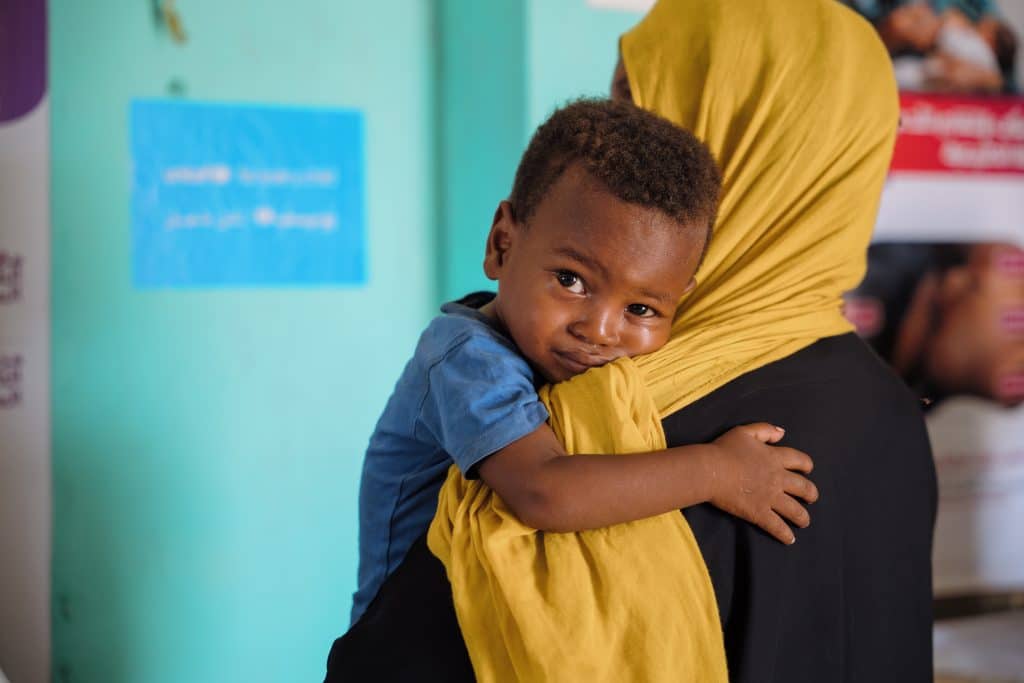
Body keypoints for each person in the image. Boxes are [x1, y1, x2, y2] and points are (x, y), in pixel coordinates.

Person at [327, 1, 937, 681]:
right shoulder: (896, 411)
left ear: (733, 137)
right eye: (573, 280)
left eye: (638, 101)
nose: (601, 330)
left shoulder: (618, 415)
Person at [349, 98, 819, 628]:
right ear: (503, 245)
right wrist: (719, 470)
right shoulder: (465, 357)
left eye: (640, 309)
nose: (598, 331)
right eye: (571, 280)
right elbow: (545, 491)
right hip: (399, 649)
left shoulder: (574, 369)